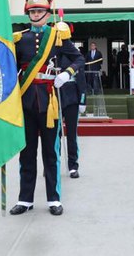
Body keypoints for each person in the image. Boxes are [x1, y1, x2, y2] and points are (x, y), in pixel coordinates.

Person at [9, 0, 84, 216]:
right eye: (32, 11)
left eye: (40, 10)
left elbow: (78, 59)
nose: (36, 14)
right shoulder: (20, 38)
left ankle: (53, 198)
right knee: (27, 152)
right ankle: (25, 199)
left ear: (47, 12)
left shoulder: (57, 36)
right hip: (26, 100)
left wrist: (66, 73)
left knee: (51, 152)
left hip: (50, 99)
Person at [59, 23, 88, 178]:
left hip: (72, 98)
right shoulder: (52, 54)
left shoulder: (74, 54)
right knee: (53, 134)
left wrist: (83, 100)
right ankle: (53, 162)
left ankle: (73, 165)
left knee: (71, 134)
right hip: (55, 97)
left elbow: (81, 80)